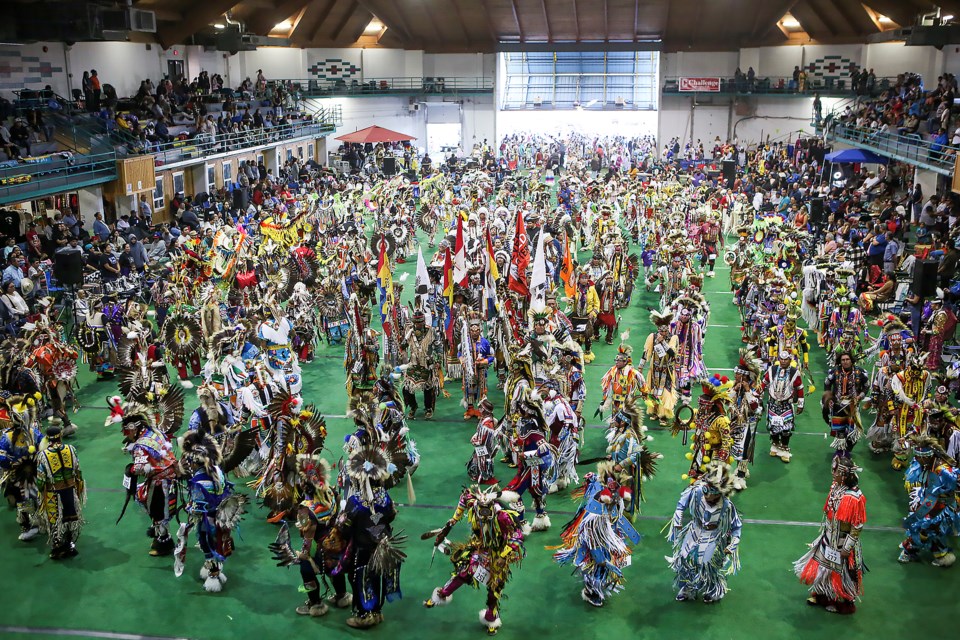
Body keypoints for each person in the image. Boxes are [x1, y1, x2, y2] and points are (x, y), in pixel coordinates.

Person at [423, 486, 524, 634]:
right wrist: (453, 520)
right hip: (480, 548)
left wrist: (503, 556)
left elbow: (518, 536)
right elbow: (464, 498)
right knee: (464, 572)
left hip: (498, 553)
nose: (483, 514)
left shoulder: (502, 516)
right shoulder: (474, 505)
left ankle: (491, 618)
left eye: (486, 510)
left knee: (494, 588)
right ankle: (442, 594)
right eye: (480, 509)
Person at [553, 464, 641, 607]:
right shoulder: (594, 516)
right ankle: (591, 591)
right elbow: (593, 542)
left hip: (609, 535)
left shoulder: (613, 497)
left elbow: (616, 516)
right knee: (593, 566)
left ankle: (597, 584)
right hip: (594, 539)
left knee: (605, 565)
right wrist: (605, 562)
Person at [794, 457, 866, 615]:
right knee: (823, 567)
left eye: (836, 471)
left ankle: (841, 601)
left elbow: (857, 525)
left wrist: (848, 546)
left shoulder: (855, 497)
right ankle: (822, 595)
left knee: (841, 573)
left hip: (843, 541)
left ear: (845, 475)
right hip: (829, 536)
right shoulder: (835, 486)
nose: (832, 473)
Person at [667, 461, 742, 603]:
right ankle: (688, 587)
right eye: (707, 491)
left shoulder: (727, 506)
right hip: (695, 528)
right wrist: (677, 519)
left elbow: (736, 527)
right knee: (683, 558)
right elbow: (681, 504)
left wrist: (733, 544)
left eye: (713, 495)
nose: (708, 497)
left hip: (713, 535)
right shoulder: (696, 492)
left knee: (708, 563)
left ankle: (714, 589)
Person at [35, 425, 85, 559]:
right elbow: (78, 471)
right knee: (70, 518)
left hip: (53, 493)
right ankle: (70, 544)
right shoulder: (71, 449)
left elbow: (41, 480)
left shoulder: (43, 455)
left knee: (55, 521)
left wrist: (40, 492)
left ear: (48, 438)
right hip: (70, 491)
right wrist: (78, 486)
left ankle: (57, 548)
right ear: (60, 436)